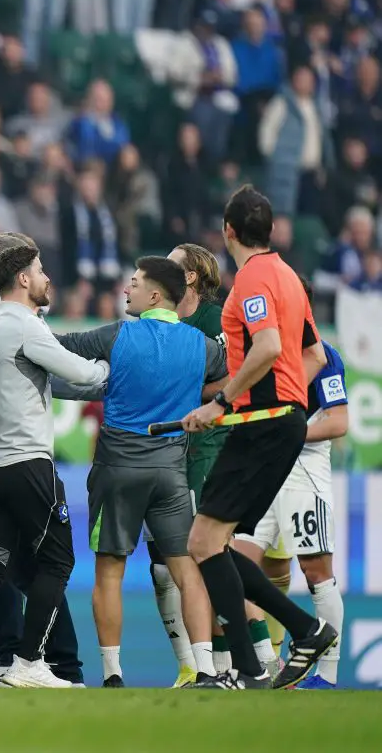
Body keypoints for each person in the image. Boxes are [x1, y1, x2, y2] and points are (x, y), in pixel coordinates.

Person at [181, 185, 337, 690]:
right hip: (281, 421)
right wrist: (290, 400)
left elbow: (268, 346)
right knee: (215, 543)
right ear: (270, 229)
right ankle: (303, 630)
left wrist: (222, 402)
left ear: (228, 231)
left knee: (203, 541)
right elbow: (311, 355)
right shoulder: (289, 277)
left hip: (262, 422)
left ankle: (247, 668)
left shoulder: (251, 280)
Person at [49, 256, 228, 688]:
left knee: (109, 569)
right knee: (186, 570)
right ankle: (205, 668)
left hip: (118, 469)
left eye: (133, 284)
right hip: (171, 472)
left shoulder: (119, 335)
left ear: (154, 295)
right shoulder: (202, 346)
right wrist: (203, 405)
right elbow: (230, 379)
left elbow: (63, 345)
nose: (125, 291)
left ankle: (112, 673)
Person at [0, 244, 109, 689]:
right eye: (39, 270)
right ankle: (29, 662)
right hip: (26, 462)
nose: (46, 277)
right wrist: (123, 365)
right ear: (21, 280)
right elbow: (84, 375)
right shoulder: (26, 327)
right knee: (58, 561)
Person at [233, 278, 349, 690]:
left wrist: (288, 435)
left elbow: (338, 422)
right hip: (264, 470)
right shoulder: (264, 351)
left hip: (303, 469)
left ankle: (327, 677)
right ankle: (268, 665)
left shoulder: (324, 357)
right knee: (234, 562)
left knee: (317, 570)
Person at [153, 242, 232, 685]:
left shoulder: (217, 320)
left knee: (206, 556)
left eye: (172, 263)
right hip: (161, 452)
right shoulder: (155, 314)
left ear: (190, 277)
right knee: (163, 566)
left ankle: (232, 661)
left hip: (208, 447)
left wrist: (182, 391)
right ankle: (189, 666)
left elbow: (233, 378)